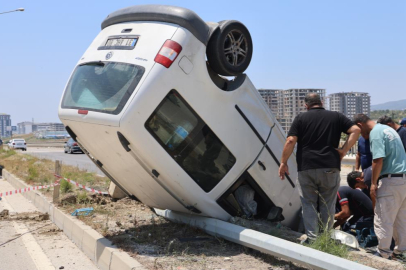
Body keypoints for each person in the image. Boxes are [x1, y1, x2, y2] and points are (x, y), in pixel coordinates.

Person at [278, 93, 360, 239]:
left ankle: (312, 239)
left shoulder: (300, 118)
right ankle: (325, 239)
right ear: (321, 102)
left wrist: (283, 162)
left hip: (306, 167)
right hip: (330, 166)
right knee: (327, 204)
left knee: (308, 204)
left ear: (306, 105)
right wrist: (343, 151)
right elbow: (356, 130)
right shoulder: (336, 116)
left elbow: (290, 140)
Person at [353, 113, 406, 260]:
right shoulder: (387, 129)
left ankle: (383, 252)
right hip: (402, 180)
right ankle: (401, 252)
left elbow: (377, 160)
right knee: (400, 219)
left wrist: (374, 183)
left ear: (359, 125)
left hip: (389, 181)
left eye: (359, 132)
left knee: (383, 218)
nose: (362, 137)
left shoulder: (376, 133)